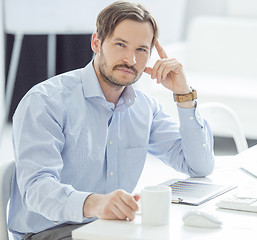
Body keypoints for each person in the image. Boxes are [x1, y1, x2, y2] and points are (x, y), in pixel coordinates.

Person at [8, 1, 214, 239]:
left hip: (112, 229)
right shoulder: (45, 101)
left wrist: (183, 94)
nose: (131, 60)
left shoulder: (144, 107)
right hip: (51, 232)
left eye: (141, 50)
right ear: (97, 42)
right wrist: (96, 204)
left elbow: (199, 166)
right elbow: (36, 190)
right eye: (120, 44)